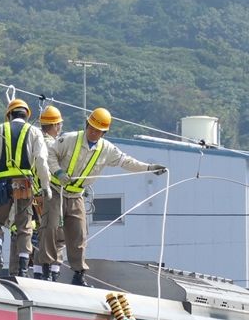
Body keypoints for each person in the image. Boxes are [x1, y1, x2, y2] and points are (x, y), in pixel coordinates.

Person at [38, 107, 167, 286]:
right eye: (91, 128)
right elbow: (50, 153)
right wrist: (58, 171)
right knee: (50, 228)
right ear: (86, 124)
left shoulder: (107, 149)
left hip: (76, 195)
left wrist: (149, 168)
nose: (93, 132)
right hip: (56, 190)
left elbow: (126, 162)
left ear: (104, 133)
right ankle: (46, 268)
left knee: (79, 234)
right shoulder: (69, 139)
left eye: (98, 130)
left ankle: (79, 273)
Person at [0, 99, 51, 277]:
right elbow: (42, 161)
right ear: (26, 115)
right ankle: (22, 266)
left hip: (0, 183)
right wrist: (45, 186)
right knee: (24, 225)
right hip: (23, 184)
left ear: (9, 115)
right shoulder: (34, 131)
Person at [31, 105, 66, 279]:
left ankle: (38, 272)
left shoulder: (34, 141)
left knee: (41, 233)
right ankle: (53, 271)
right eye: (59, 125)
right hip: (50, 194)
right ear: (55, 126)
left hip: (34, 195)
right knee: (58, 235)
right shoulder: (53, 145)